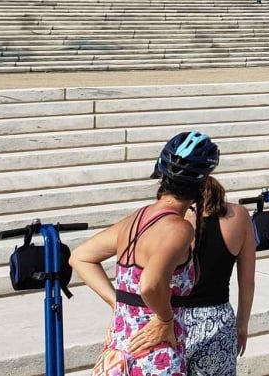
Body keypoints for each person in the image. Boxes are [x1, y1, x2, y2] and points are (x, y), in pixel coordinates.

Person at [72, 131, 215, 376]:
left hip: (118, 353)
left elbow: (81, 256)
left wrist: (118, 304)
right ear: (202, 184)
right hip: (153, 358)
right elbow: (149, 284)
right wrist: (165, 319)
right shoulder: (178, 228)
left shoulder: (138, 219)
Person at [177, 168, 257, 374]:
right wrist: (242, 325)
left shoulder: (174, 219)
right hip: (217, 321)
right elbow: (247, 281)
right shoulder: (239, 216)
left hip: (175, 320)